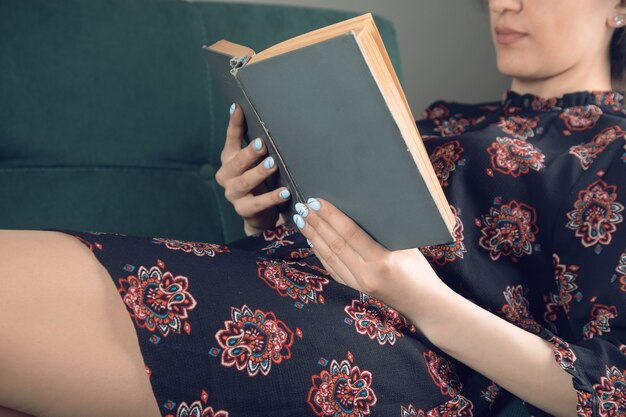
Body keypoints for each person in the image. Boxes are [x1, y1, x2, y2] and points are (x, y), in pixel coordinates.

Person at [1, 0, 625, 416]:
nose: (505, 2)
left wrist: (417, 298)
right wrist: (265, 211)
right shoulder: (446, 116)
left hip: (386, 352)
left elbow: (611, 390)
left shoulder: (613, 144)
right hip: (286, 281)